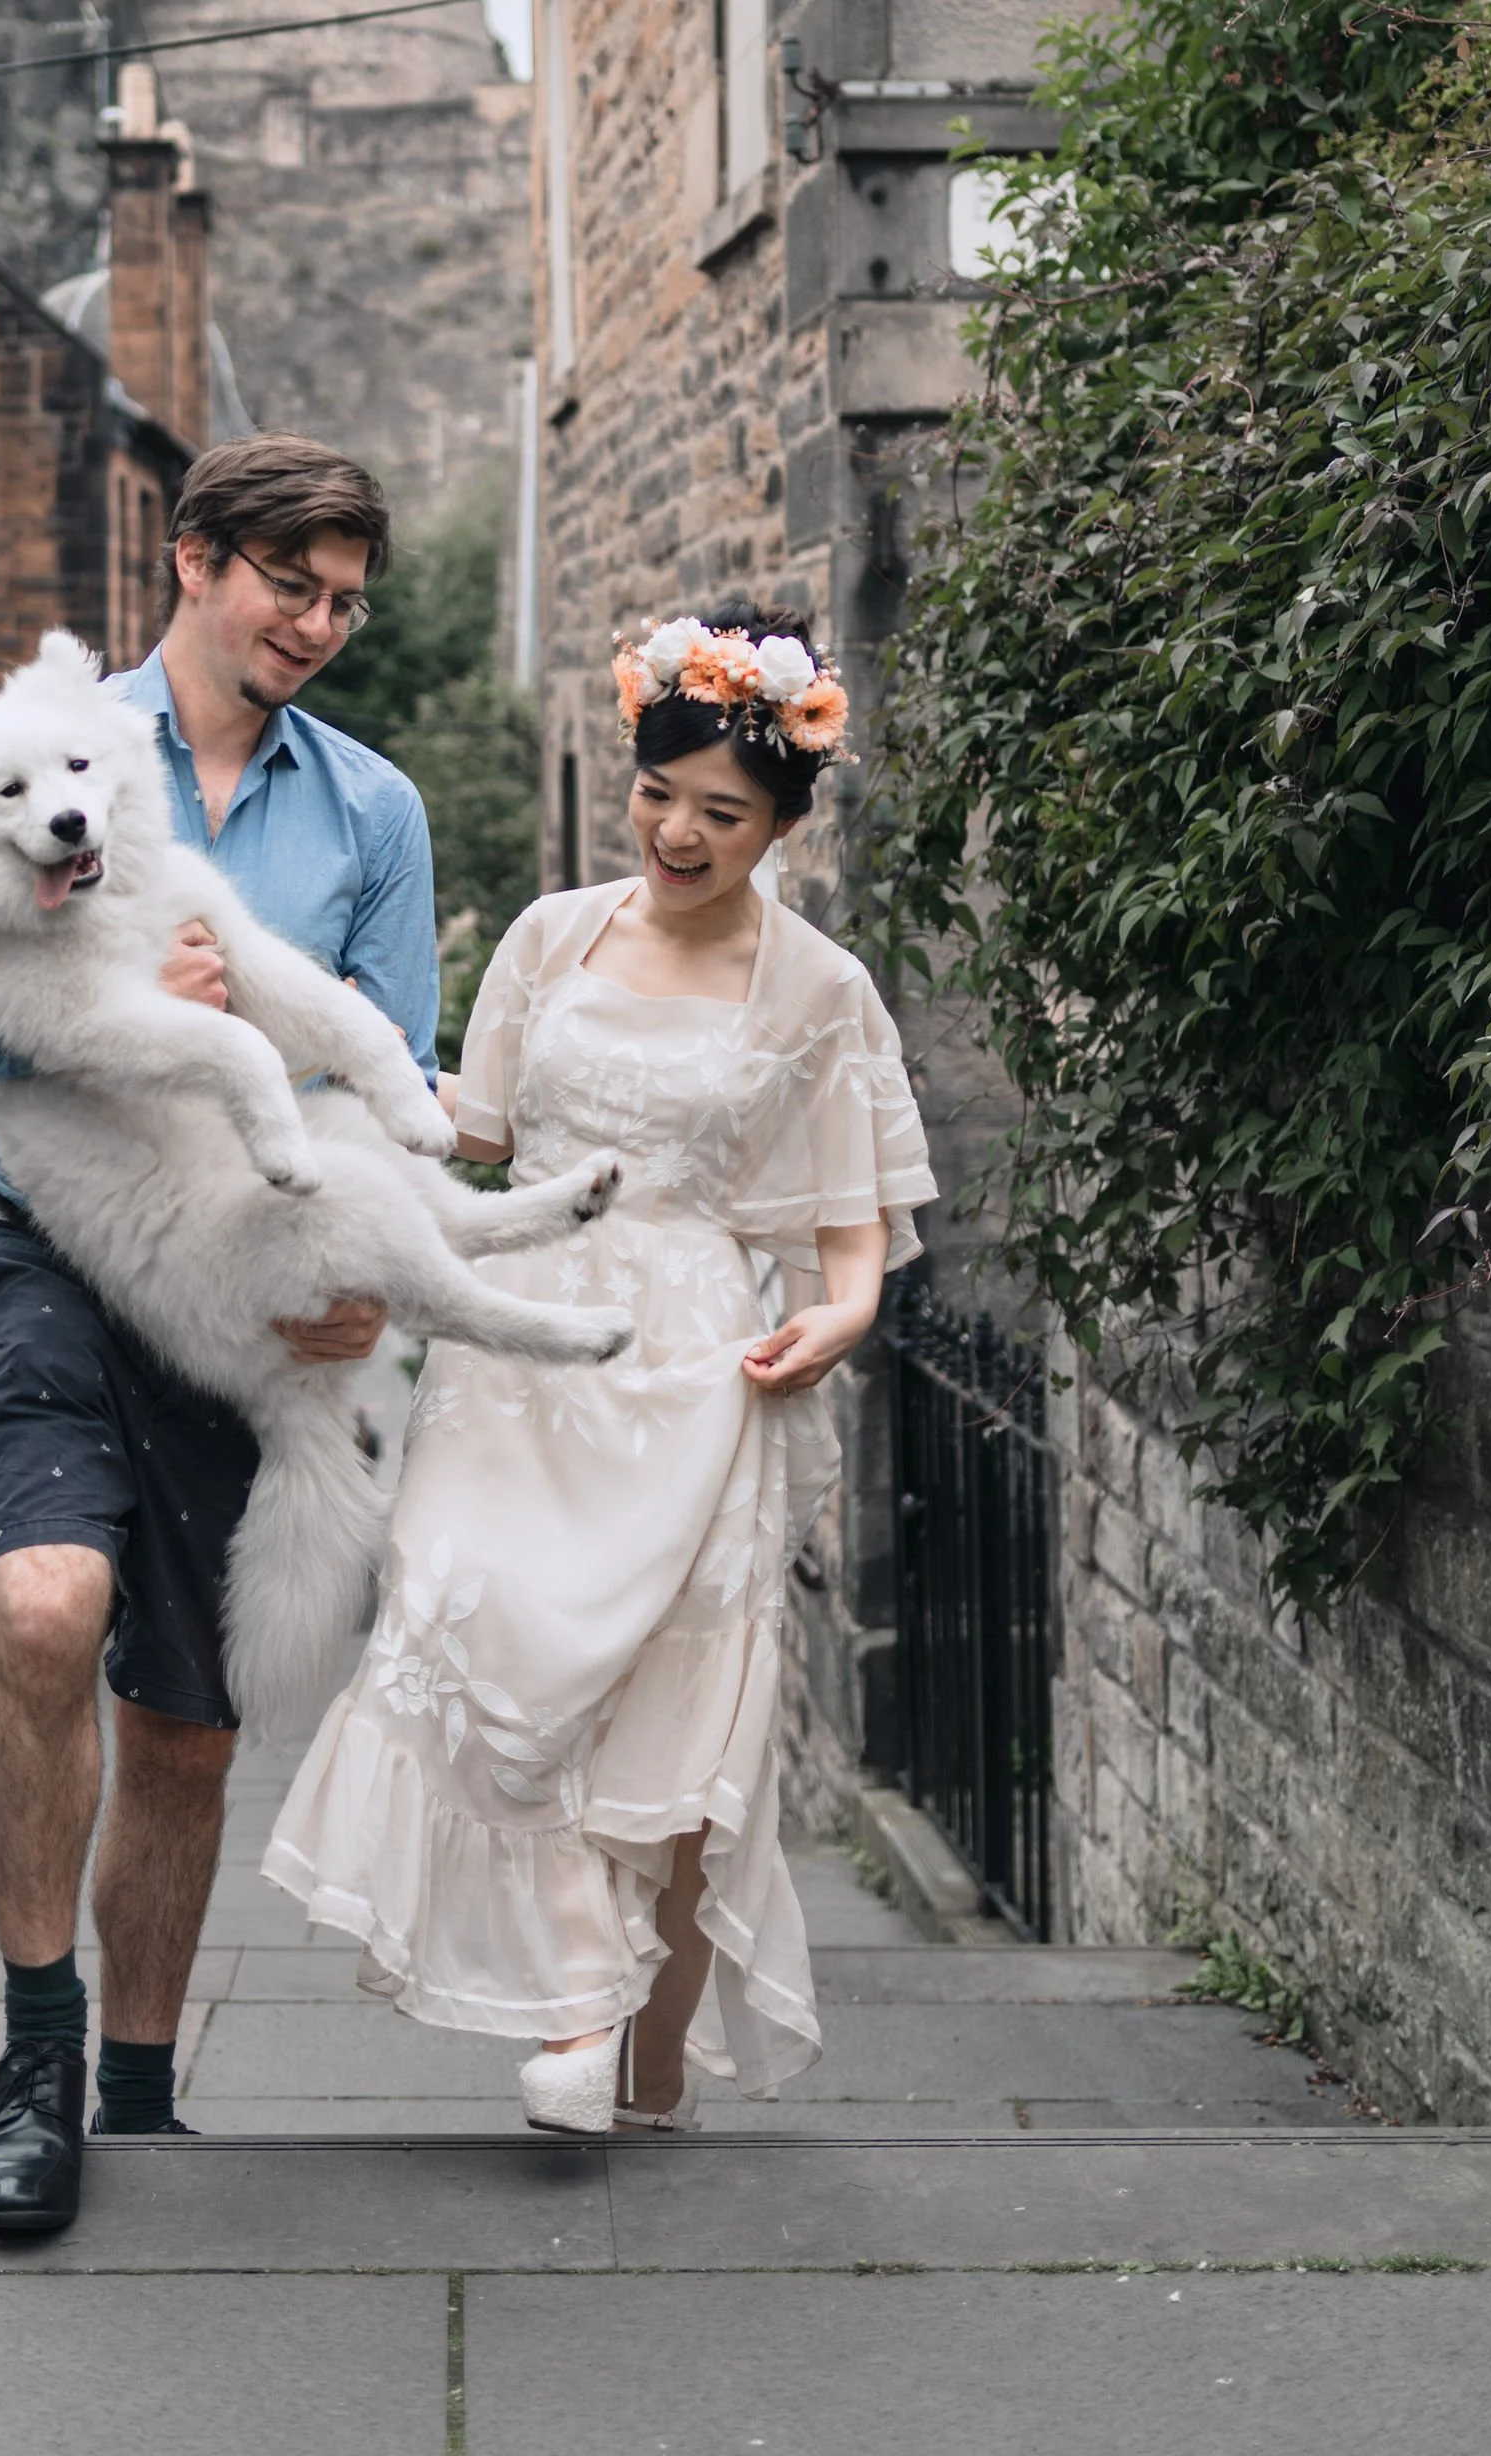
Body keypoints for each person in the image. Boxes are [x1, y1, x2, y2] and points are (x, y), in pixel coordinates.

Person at [0, 433, 439, 2235]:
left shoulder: (372, 815)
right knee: (44, 1606)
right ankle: (33, 2061)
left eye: (346, 599)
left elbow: (383, 1065)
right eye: (293, 584)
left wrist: (374, 1278)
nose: (321, 624)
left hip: (238, 1268)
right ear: (192, 559)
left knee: (185, 1731)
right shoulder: (31, 745)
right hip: (48, 1249)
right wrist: (103, 1017)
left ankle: (140, 2089)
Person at [264, 610, 936, 2131]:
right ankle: (576, 1999)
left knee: (674, 1754)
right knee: (469, 1623)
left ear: (781, 822)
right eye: (659, 796)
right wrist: (292, 1068)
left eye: (724, 812)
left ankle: (646, 2084)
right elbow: (472, 1132)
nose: (679, 833)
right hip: (519, 1354)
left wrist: (834, 1323)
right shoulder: (548, 937)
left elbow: (852, 1239)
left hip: (697, 1367)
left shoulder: (818, 988)